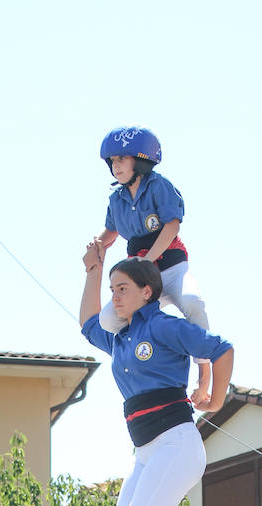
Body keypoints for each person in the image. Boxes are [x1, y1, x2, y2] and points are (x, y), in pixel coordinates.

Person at [79, 248, 233, 506]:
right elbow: (87, 324)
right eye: (112, 289)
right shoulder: (121, 337)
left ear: (147, 292)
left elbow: (222, 349)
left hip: (177, 443)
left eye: (122, 288)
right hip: (146, 451)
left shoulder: (162, 326)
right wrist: (93, 270)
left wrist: (214, 402)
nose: (114, 296)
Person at [93, 127, 213, 403]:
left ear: (141, 160)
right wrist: (96, 245)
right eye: (112, 161)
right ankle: (147, 356)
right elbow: (110, 233)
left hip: (170, 269)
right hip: (143, 279)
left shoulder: (159, 186)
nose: (116, 166)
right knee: (109, 320)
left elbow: (171, 226)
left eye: (122, 159)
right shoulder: (116, 200)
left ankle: (204, 373)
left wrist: (147, 262)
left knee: (193, 302)